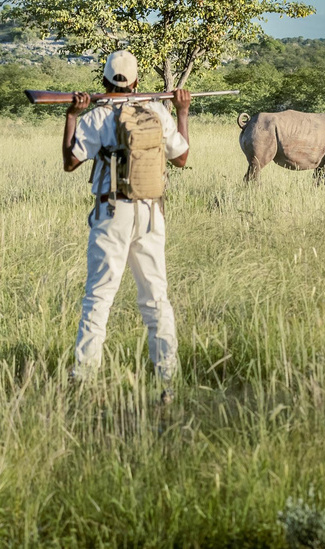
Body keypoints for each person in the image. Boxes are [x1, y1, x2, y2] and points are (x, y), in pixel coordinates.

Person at [62, 49, 191, 401]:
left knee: (99, 297)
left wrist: (72, 116)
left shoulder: (95, 117)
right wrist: (182, 112)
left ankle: (84, 378)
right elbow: (181, 157)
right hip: (151, 213)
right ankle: (167, 380)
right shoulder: (158, 112)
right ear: (136, 81)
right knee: (156, 297)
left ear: (104, 80)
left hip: (110, 213)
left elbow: (70, 162)